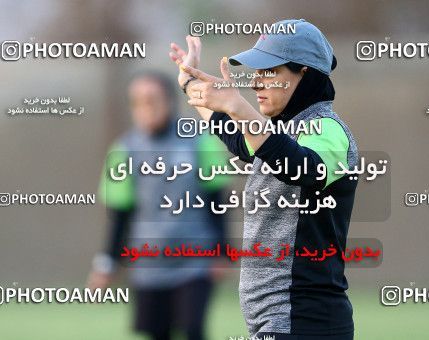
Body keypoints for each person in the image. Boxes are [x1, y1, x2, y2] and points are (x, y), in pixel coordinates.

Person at [170, 19, 358, 339]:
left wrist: (239, 108)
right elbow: (238, 137)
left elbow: (299, 167)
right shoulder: (277, 132)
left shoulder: (327, 128)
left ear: (305, 74)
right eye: (256, 72)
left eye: (269, 72)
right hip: (276, 320)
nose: (256, 83)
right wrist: (190, 82)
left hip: (305, 320)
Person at [87, 71, 230, 340]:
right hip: (148, 264)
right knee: (157, 334)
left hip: (195, 260)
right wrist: (107, 264)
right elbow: (120, 215)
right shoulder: (124, 150)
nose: (145, 109)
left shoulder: (200, 142)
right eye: (138, 102)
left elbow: (217, 201)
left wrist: (222, 251)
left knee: (192, 330)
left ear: (170, 102)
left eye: (152, 100)